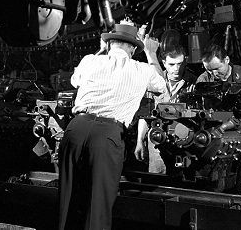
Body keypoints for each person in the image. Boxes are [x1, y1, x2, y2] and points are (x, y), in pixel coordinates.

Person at [58, 23, 166, 230]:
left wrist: (101, 50)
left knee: (68, 198)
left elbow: (75, 80)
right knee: (97, 204)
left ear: (107, 44)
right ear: (133, 49)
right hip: (107, 135)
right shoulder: (142, 69)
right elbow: (162, 87)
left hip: (76, 129)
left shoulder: (90, 60)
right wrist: (151, 54)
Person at [134, 45, 197, 174]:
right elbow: (145, 116)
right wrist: (140, 141)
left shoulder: (194, 83)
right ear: (163, 63)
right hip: (157, 141)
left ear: (185, 62)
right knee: (158, 179)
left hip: (185, 143)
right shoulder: (153, 83)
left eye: (180, 64)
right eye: (172, 64)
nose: (176, 69)